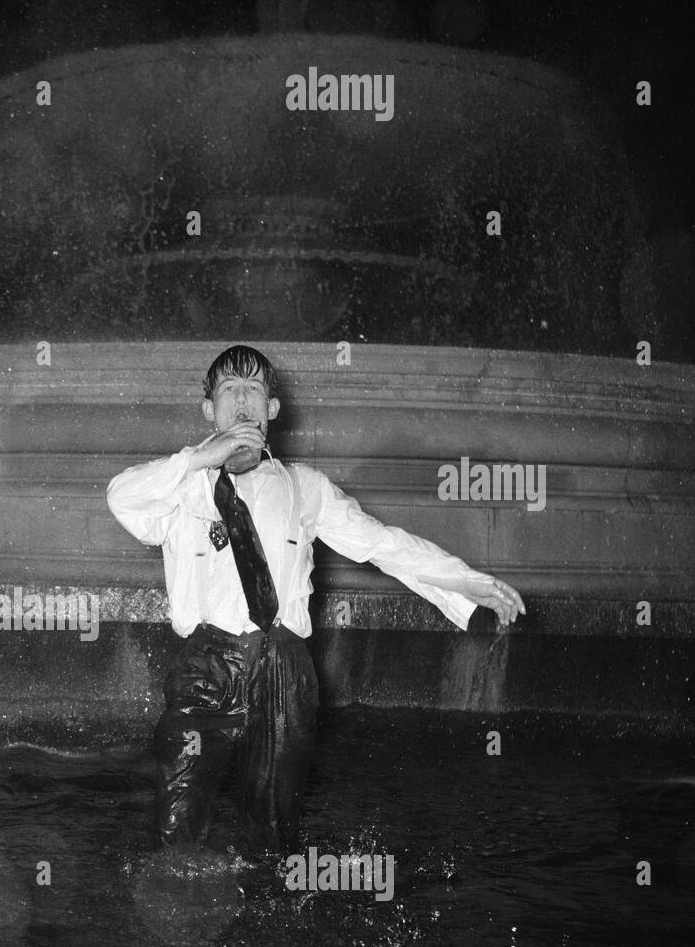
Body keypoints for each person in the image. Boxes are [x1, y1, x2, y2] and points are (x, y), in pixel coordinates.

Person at [106, 344, 526, 859]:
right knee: (177, 821)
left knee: (272, 833)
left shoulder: (305, 489)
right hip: (207, 672)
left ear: (273, 409)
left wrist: (466, 583)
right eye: (229, 391)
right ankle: (178, 909)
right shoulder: (179, 490)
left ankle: (267, 916)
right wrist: (201, 458)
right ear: (208, 410)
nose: (242, 402)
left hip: (285, 673)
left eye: (254, 390)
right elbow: (120, 497)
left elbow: (383, 545)